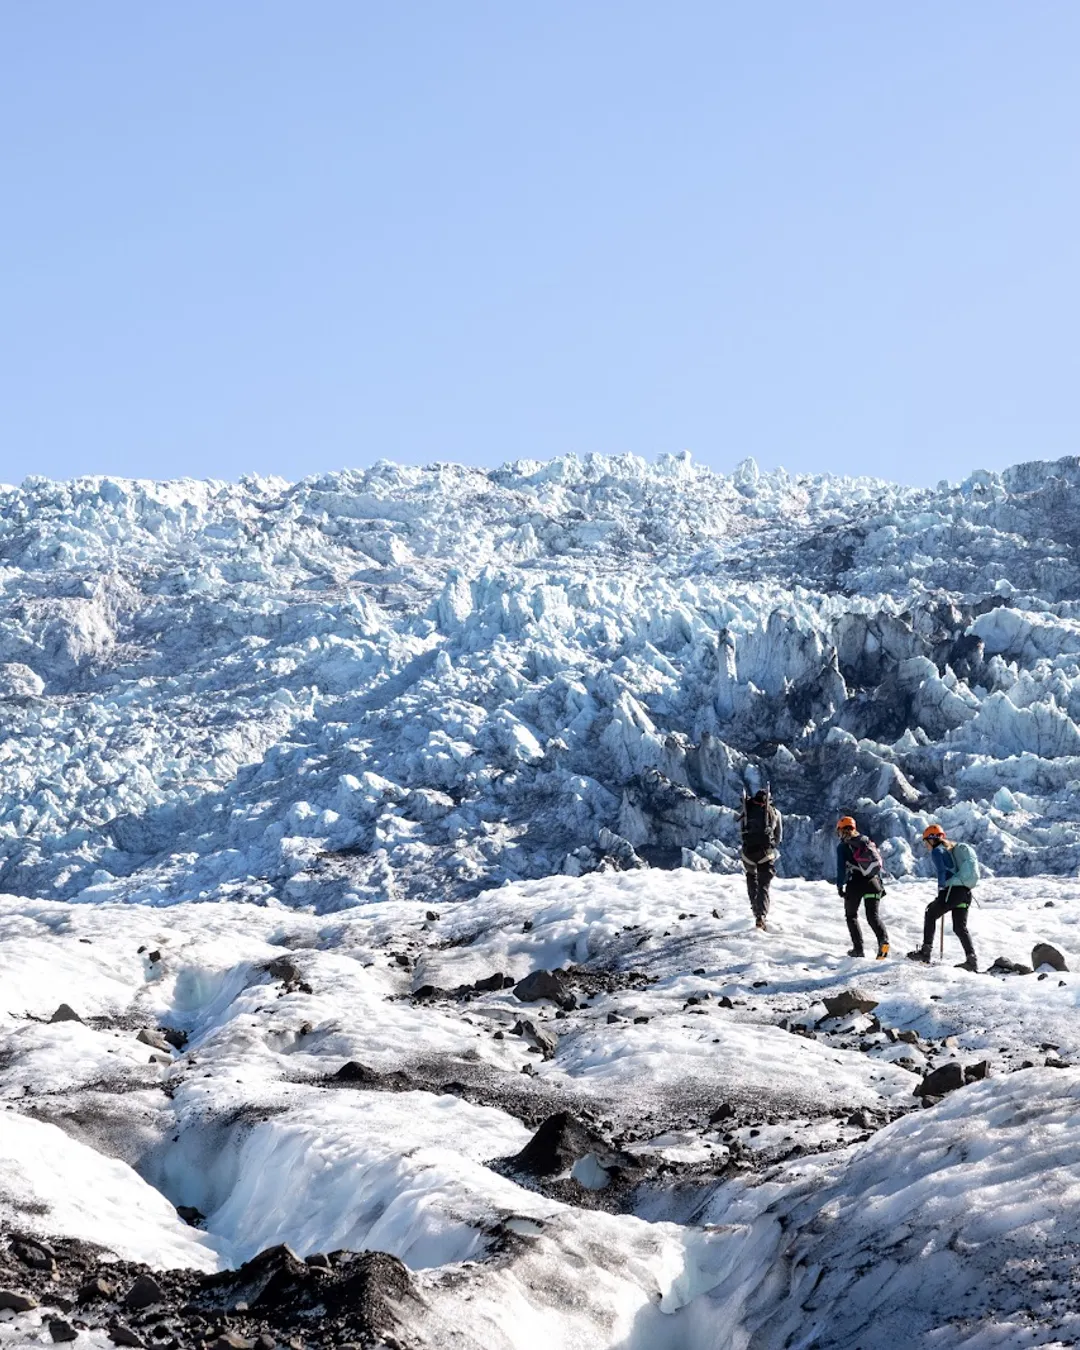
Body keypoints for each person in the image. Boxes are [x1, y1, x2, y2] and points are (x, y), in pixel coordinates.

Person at [906, 824, 979, 970]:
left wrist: (941, 890)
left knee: (930, 913)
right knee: (960, 927)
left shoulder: (937, 851)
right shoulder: (949, 849)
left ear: (932, 839)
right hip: (965, 892)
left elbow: (941, 871)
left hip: (952, 891)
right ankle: (971, 960)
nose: (925, 844)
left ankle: (925, 953)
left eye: (925, 840)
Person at [835, 816, 889, 959]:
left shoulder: (843, 846)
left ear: (841, 830)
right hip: (873, 883)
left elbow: (841, 869)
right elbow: (876, 864)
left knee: (851, 915)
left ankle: (858, 949)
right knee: (873, 916)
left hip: (855, 884)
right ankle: (883, 942)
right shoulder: (865, 841)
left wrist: (840, 886)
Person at [739, 788, 782, 930]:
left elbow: (742, 832)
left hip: (748, 854)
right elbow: (778, 837)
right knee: (763, 885)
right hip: (765, 853)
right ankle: (761, 916)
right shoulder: (774, 813)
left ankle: (754, 908)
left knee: (752, 878)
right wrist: (771, 845)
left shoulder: (747, 811)